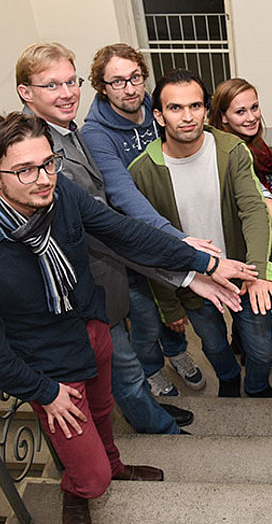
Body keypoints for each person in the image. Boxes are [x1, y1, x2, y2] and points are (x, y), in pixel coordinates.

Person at [0, 113, 251, 524]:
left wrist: (203, 262)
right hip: (47, 369)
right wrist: (45, 392)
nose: (44, 178)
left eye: (48, 162)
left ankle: (116, 464)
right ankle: (79, 487)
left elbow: (122, 231)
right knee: (91, 475)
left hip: (92, 327)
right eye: (26, 170)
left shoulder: (60, 192)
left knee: (105, 411)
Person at [15, 42, 204, 434]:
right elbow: (107, 217)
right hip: (86, 284)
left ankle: (153, 412)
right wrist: (182, 262)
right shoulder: (39, 151)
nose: (67, 93)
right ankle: (159, 428)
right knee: (125, 368)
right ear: (26, 92)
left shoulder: (66, 128)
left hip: (118, 263)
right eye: (52, 85)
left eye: (71, 81)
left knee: (144, 334)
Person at [130, 70, 272, 398]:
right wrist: (169, 305)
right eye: (175, 108)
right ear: (158, 115)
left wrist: (260, 272)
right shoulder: (142, 171)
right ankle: (228, 379)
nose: (187, 117)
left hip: (243, 273)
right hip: (192, 283)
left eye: (195, 106)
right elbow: (149, 245)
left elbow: (253, 209)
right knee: (213, 346)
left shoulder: (231, 149)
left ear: (206, 111)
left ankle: (256, 387)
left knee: (262, 350)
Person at [80, 42, 206, 399]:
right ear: (102, 87)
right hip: (131, 247)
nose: (130, 88)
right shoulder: (95, 134)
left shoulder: (159, 108)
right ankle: (151, 369)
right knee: (146, 318)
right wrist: (173, 238)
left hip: (170, 229)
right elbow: (122, 193)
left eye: (135, 77)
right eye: (117, 82)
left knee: (175, 307)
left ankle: (177, 352)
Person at [209, 77, 272, 304]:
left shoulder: (258, 145)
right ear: (223, 117)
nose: (251, 117)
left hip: (271, 236)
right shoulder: (233, 151)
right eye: (240, 112)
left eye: (254, 107)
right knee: (256, 306)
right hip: (249, 244)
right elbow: (263, 197)